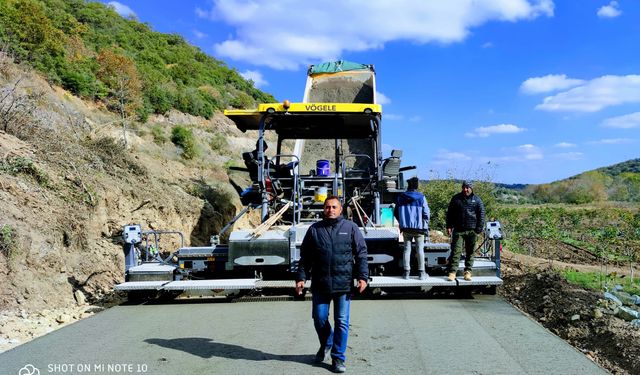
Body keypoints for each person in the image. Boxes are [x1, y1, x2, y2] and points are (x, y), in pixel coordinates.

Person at [296, 196, 368, 373]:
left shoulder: (351, 228)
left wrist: (363, 277)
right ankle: (327, 342)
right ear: (324, 209)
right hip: (320, 284)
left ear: (340, 209)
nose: (331, 210)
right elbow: (305, 257)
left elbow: (361, 253)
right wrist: (300, 278)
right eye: (327, 207)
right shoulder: (314, 230)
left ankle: (338, 358)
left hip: (343, 284)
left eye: (334, 207)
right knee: (319, 319)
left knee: (342, 322)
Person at [445, 181, 485, 281]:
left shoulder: (477, 200)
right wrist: (449, 226)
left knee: (470, 252)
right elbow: (450, 213)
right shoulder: (456, 198)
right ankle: (452, 272)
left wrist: (478, 229)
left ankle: (468, 272)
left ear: (471, 188)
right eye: (464, 187)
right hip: (458, 230)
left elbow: (481, 215)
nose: (465, 190)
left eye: (467, 188)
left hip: (472, 231)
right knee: (456, 252)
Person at [394, 177, 430, 280]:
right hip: (419, 229)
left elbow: (396, 212)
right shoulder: (421, 197)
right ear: (416, 186)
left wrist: (402, 222)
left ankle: (406, 274)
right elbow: (426, 213)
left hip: (406, 228)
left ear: (408, 185)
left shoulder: (401, 197)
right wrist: (425, 224)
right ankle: (422, 274)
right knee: (420, 250)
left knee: (406, 250)